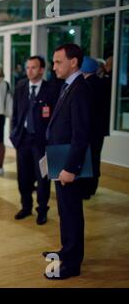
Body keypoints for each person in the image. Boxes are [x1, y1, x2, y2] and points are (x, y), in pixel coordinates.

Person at [44, 43, 92, 280]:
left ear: (73, 62)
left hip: (68, 165)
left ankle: (72, 263)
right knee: (64, 211)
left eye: (58, 62)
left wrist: (70, 168)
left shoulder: (80, 89)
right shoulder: (68, 86)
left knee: (72, 213)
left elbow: (81, 134)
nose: (53, 67)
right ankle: (66, 250)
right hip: (59, 160)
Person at [10, 56, 58, 225]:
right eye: (28, 67)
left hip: (41, 142)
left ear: (42, 70)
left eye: (34, 67)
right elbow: (15, 112)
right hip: (23, 139)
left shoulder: (51, 89)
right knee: (23, 176)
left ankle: (42, 210)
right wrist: (14, 133)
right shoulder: (21, 86)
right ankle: (26, 206)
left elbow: (54, 118)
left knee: (42, 177)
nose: (29, 70)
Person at [81, 56, 110, 199]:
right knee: (95, 157)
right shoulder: (103, 83)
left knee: (87, 158)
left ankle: (85, 191)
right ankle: (93, 187)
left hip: (89, 129)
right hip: (100, 129)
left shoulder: (85, 85)